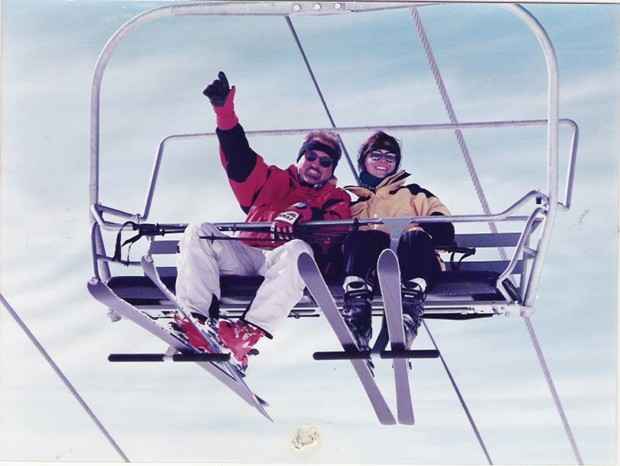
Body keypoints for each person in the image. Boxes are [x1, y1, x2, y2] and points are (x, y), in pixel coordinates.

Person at [174, 72, 351, 373]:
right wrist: (224, 113)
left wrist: (302, 213)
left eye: (325, 163)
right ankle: (195, 321)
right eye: (311, 157)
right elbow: (239, 160)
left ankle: (245, 334)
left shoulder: (336, 197)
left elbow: (336, 228)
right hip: (250, 255)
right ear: (301, 157)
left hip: (288, 266)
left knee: (297, 249)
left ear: (331, 170)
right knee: (200, 231)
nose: (316, 166)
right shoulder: (272, 180)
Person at [341, 131, 455, 352]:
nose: (383, 161)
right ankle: (358, 313)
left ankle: (408, 310)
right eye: (376, 155)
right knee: (364, 237)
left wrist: (433, 224)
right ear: (364, 160)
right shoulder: (354, 205)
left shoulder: (414, 194)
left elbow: (443, 226)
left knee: (413, 236)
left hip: (413, 261)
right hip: (371, 270)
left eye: (390, 157)